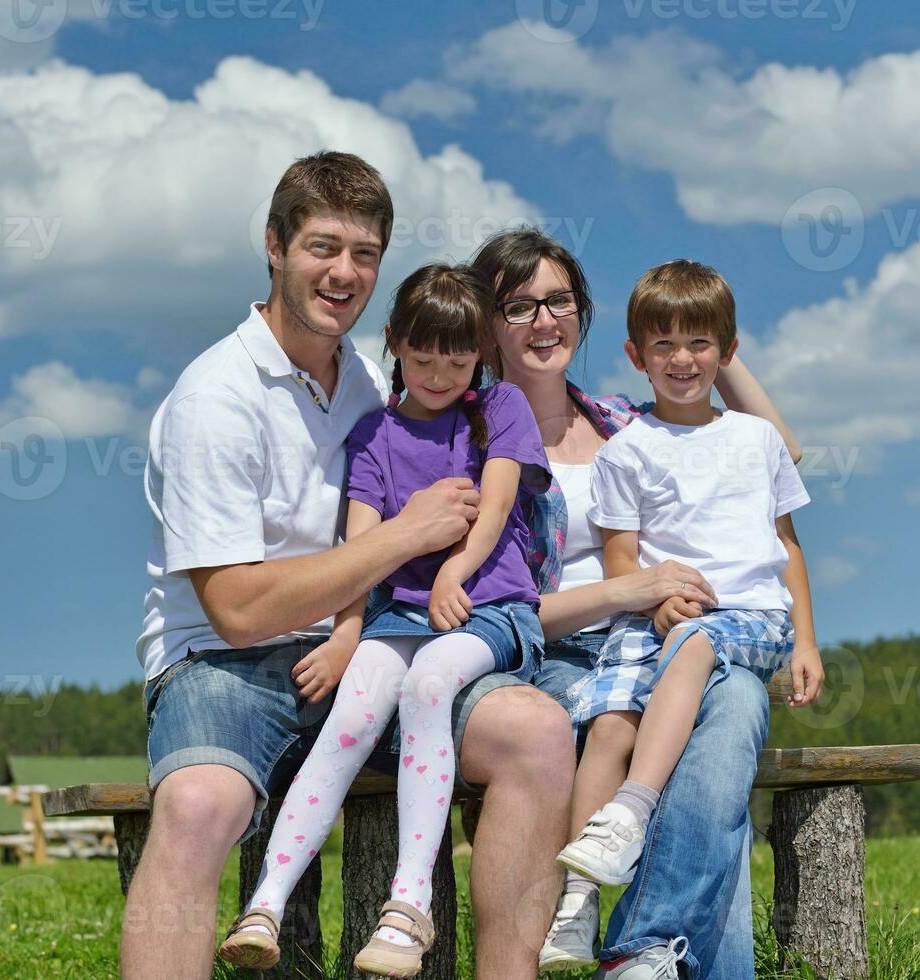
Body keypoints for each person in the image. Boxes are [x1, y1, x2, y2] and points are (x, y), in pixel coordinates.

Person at [122, 153, 578, 980]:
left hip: (382, 642)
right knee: (196, 806)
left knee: (536, 734)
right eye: (321, 247)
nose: (343, 272)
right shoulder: (213, 400)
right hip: (227, 665)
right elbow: (236, 610)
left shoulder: (375, 384)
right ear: (273, 246)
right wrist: (407, 537)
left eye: (363, 253)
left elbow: (488, 413)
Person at [469, 229, 809, 980]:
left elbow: (777, 452)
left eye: (557, 301)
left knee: (738, 706)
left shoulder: (624, 420)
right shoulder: (471, 441)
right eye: (516, 306)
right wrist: (629, 591)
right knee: (713, 722)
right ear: (484, 326)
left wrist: (707, 337)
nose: (542, 320)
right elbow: (493, 608)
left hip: (672, 635)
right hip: (557, 656)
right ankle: (652, 948)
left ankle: (644, 947)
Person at [219, 263, 553, 977]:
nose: (438, 372)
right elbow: (361, 549)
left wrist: (451, 574)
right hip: (399, 613)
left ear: (480, 357)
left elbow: (493, 508)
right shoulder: (373, 434)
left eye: (457, 359)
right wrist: (346, 635)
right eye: (423, 355)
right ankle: (265, 904)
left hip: (490, 608)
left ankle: (408, 908)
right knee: (354, 707)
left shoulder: (502, 409)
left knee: (430, 682)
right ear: (396, 343)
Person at [548, 259, 824, 965]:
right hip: (656, 622)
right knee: (609, 724)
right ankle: (577, 903)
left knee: (700, 646)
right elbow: (621, 561)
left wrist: (808, 643)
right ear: (635, 357)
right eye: (663, 346)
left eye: (699, 344)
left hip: (746, 620)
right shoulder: (627, 450)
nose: (681, 359)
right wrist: (657, 597)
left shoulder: (754, 439)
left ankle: (631, 813)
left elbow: (785, 545)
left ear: (727, 354)